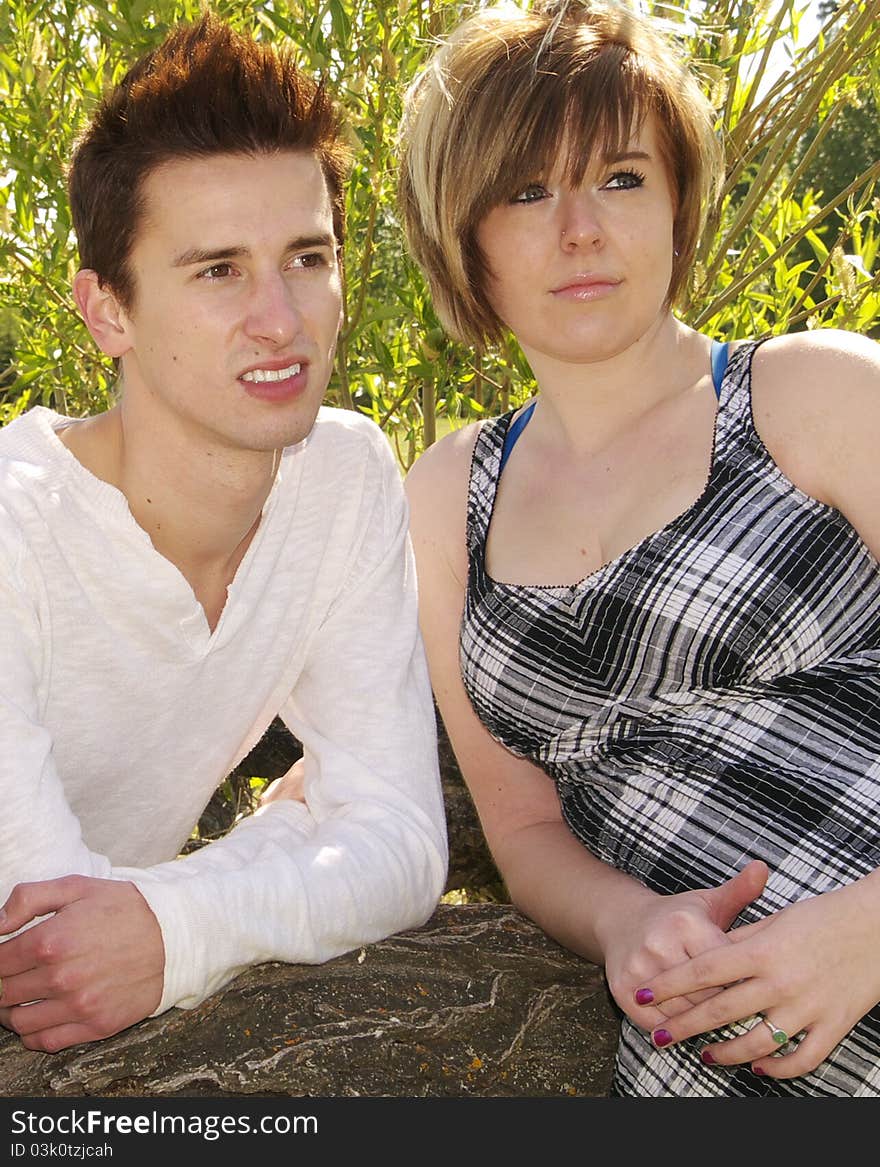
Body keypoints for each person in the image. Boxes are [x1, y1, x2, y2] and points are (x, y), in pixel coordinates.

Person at [398, 0, 880, 1097]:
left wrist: (865, 934)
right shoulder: (442, 499)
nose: (580, 229)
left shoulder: (812, 393)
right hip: (714, 1050)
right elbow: (520, 828)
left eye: (619, 177)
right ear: (462, 236)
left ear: (675, 206)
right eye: (527, 192)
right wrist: (627, 925)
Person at [0, 13, 448, 1055]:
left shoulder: (341, 479)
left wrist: (175, 921)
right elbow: (44, 933)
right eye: (217, 271)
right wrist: (294, 845)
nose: (281, 321)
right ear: (107, 312)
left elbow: (403, 848)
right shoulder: (15, 526)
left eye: (305, 257)